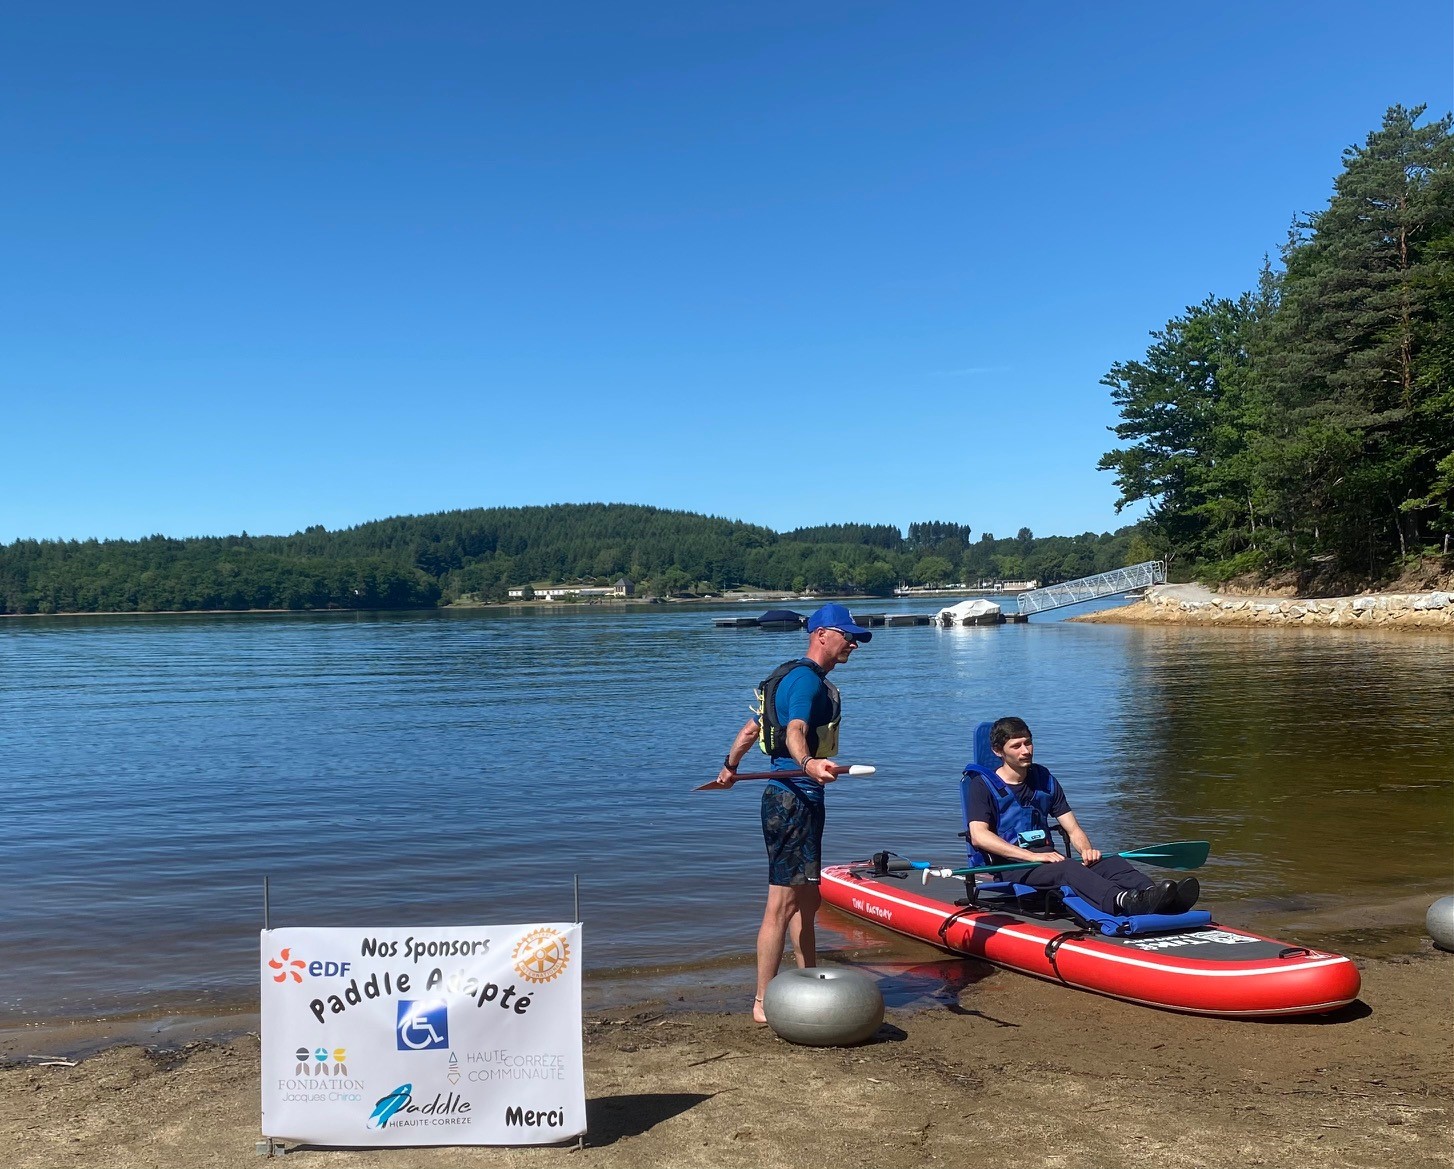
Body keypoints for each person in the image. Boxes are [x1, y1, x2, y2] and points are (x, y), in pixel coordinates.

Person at [710, 602, 871, 1023]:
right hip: (792, 799)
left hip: (794, 797)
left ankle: (808, 981)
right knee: (781, 903)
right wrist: (808, 764)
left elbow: (752, 730)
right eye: (846, 635)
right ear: (821, 635)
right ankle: (764, 1002)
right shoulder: (806, 682)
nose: (853, 643)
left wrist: (730, 767)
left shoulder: (788, 675)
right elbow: (796, 730)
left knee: (808, 899)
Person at [965, 716, 1200, 916]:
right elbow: (979, 837)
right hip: (1013, 865)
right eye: (1016, 746)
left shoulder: (1044, 780)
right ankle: (1122, 901)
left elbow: (1073, 829)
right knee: (1068, 869)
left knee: (1110, 861)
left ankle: (1154, 896)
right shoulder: (981, 786)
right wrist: (1029, 856)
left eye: (1028, 743)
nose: (1026, 750)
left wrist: (1087, 850)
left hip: (1048, 859)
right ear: (999, 752)